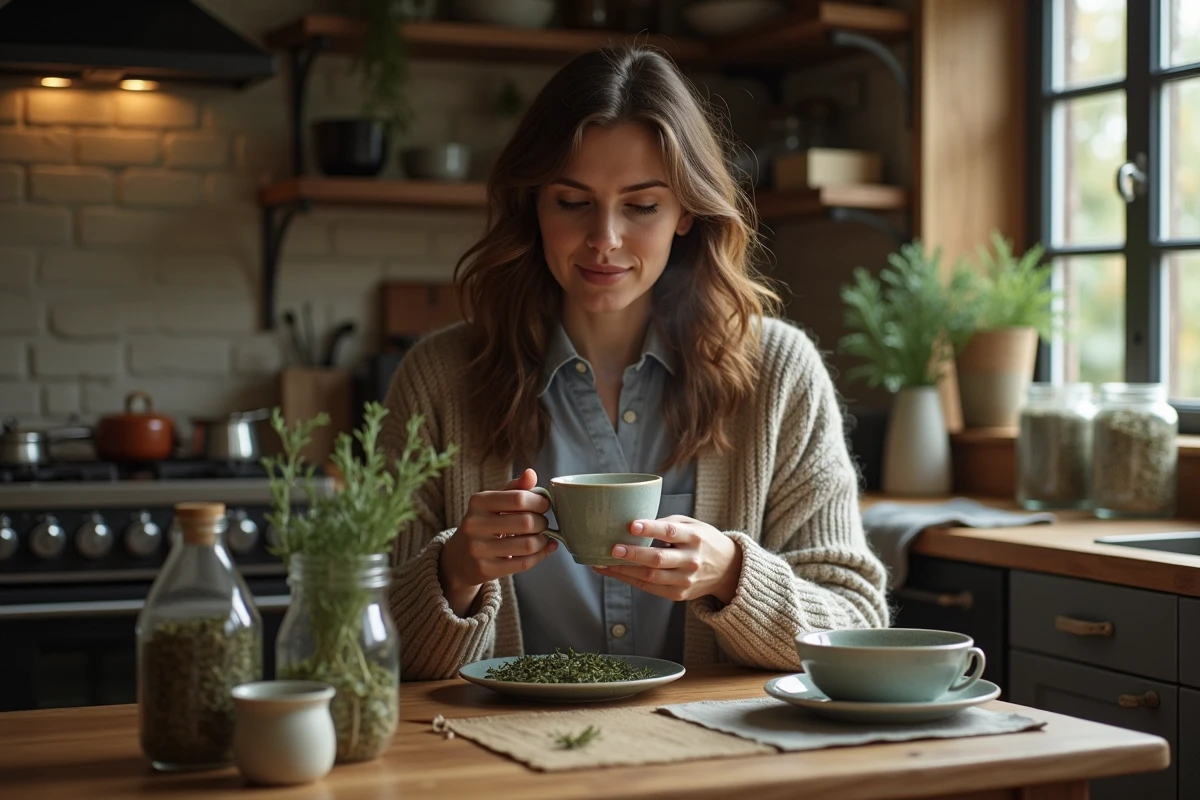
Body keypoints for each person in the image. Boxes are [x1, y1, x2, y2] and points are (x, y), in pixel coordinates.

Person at [381, 44, 889, 681]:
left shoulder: (781, 373)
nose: (605, 239)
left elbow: (858, 624)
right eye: (572, 202)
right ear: (532, 204)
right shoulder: (437, 379)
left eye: (642, 206)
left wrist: (732, 576)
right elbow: (361, 638)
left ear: (686, 212)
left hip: (709, 741)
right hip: (498, 741)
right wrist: (454, 572)